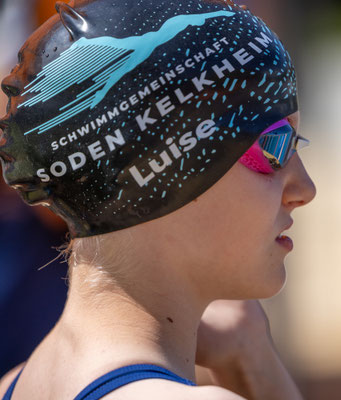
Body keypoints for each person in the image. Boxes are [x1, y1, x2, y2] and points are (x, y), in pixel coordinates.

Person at [0, 0, 316, 399]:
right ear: (159, 170)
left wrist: (249, 353)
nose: (306, 189)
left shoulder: (15, 385)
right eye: (274, 146)